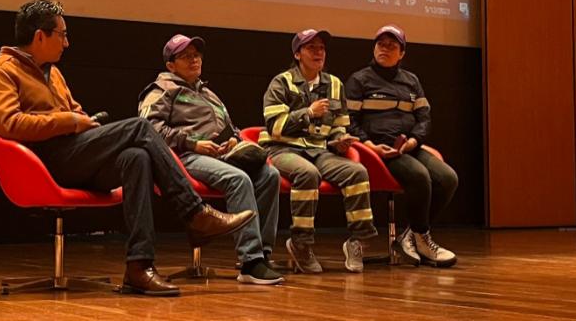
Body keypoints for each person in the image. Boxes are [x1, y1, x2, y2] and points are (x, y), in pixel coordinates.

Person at [0, 0, 255, 296]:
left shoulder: (53, 72)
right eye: (62, 34)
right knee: (140, 126)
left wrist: (84, 122)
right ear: (40, 36)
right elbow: (10, 124)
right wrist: (70, 122)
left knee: (136, 158)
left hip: (73, 153)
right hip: (43, 161)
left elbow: (74, 111)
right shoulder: (1, 71)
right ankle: (194, 213)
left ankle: (139, 267)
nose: (67, 43)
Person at [139, 34, 284, 285]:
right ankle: (250, 262)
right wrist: (192, 142)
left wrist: (234, 140)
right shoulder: (161, 90)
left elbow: (232, 128)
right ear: (170, 65)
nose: (194, 60)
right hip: (185, 158)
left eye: (196, 55)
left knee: (269, 176)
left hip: (220, 156)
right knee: (238, 179)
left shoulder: (209, 94)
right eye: (186, 56)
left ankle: (262, 254)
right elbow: (147, 129)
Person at [259, 29, 378, 274]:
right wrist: (308, 113)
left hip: (319, 150)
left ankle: (358, 241)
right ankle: (301, 243)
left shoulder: (334, 84)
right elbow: (275, 127)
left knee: (356, 172)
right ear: (297, 54)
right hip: (282, 148)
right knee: (307, 173)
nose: (318, 53)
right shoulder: (281, 82)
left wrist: (340, 140)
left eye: (322, 48)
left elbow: (338, 126)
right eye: (311, 48)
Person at [345, 24, 459, 268]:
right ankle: (423, 240)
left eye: (391, 46)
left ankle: (411, 235)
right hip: (376, 151)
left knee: (448, 178)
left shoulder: (411, 81)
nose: (384, 49)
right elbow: (349, 122)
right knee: (420, 177)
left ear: (402, 53)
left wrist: (414, 140)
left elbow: (424, 118)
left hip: (408, 146)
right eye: (380, 44)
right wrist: (369, 145)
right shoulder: (359, 80)